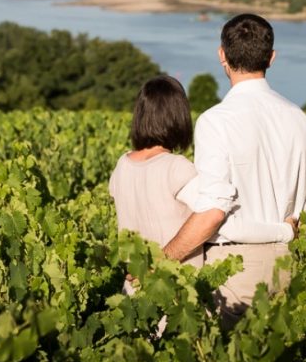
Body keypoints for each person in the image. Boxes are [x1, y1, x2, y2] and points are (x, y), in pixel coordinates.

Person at [163, 13, 306, 322]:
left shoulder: (215, 121)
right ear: (271, 58)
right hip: (295, 267)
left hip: (236, 271)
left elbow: (213, 211)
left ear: (222, 55)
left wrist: (159, 262)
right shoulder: (304, 122)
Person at [109, 75, 296, 286]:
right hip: (174, 292)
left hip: (132, 291)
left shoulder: (121, 165)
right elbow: (216, 218)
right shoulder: (176, 168)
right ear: (178, 117)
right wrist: (284, 231)